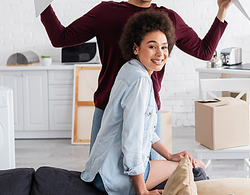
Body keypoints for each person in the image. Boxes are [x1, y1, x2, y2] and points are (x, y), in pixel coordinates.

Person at [26, 0, 232, 154]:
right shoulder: (105, 12)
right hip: (107, 108)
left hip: (147, 111)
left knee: (149, 174)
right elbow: (61, 38)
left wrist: (221, 11)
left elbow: (205, 52)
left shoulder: (168, 18)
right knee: (100, 176)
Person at [81, 10, 205, 195]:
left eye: (164, 47)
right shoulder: (140, 81)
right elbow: (132, 139)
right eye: (152, 46)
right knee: (197, 167)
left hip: (99, 170)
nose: (160, 54)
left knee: (182, 164)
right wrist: (142, 192)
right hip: (113, 177)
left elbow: (144, 129)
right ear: (136, 48)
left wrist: (169, 156)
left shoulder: (129, 69)